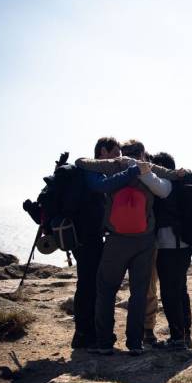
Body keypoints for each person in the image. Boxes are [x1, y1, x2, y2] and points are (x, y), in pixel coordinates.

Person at [75, 139, 178, 355]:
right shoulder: (147, 171)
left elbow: (82, 163)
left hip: (116, 240)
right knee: (139, 292)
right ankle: (135, 343)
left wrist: (117, 163)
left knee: (106, 290)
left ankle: (104, 343)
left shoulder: (115, 167)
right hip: (144, 241)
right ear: (142, 154)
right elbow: (166, 185)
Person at [71, 137, 140, 350]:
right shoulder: (91, 168)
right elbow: (100, 187)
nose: (118, 158)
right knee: (88, 285)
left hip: (91, 236)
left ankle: (87, 333)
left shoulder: (98, 169)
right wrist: (129, 172)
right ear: (103, 151)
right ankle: (84, 335)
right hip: (85, 237)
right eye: (116, 153)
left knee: (91, 284)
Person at [144, 152, 192, 349]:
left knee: (170, 293)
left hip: (168, 247)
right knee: (181, 291)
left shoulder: (165, 187)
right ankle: (185, 334)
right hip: (184, 246)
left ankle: (177, 338)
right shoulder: (180, 187)